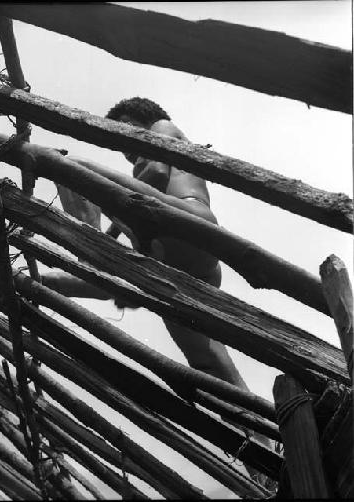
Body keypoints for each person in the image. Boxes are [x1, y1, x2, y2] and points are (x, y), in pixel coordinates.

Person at [45, 97, 274, 486]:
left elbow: (151, 173)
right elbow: (138, 191)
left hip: (188, 224)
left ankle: (88, 246)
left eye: (125, 139)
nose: (127, 153)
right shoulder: (143, 159)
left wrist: (108, 224)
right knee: (208, 364)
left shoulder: (163, 129)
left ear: (137, 120)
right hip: (170, 258)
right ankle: (263, 454)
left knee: (74, 171)